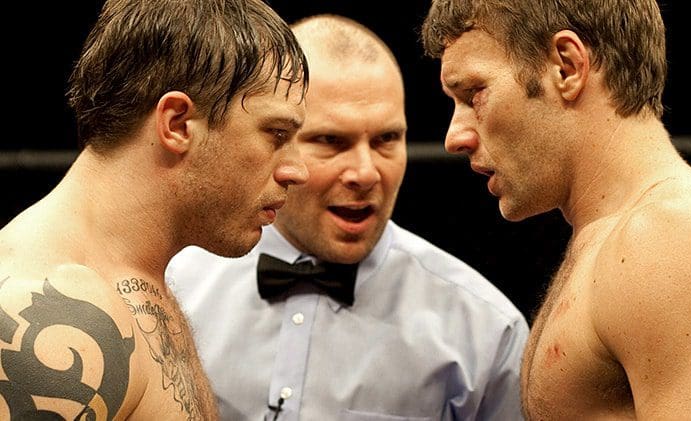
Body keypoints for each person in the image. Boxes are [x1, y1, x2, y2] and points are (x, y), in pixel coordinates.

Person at [166, 14, 529, 421]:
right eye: (331, 141)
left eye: (386, 139)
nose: (365, 173)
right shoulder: (172, 286)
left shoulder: (484, 330)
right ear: (276, 142)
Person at [420, 0, 691, 419]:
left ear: (566, 67)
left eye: (474, 93)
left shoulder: (672, 238)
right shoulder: (619, 238)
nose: (454, 137)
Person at [0, 0, 309, 419]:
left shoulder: (138, 277)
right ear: (177, 124)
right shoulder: (52, 309)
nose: (297, 170)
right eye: (276, 134)